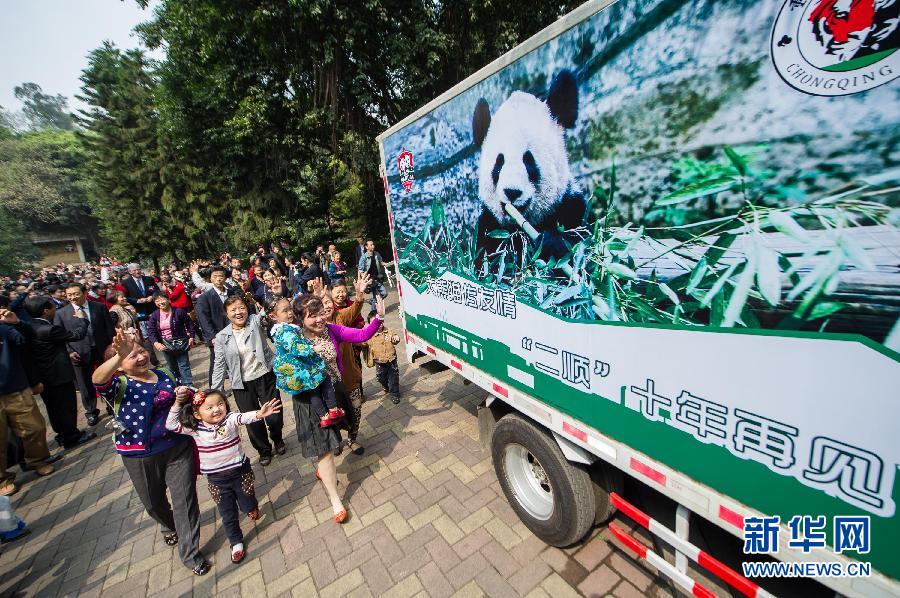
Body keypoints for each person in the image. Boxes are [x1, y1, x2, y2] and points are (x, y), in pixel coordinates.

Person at [92, 330, 210, 576]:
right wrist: (118, 356)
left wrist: (188, 395)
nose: (140, 357)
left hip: (177, 446)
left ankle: (191, 554)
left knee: (185, 501)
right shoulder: (118, 385)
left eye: (141, 351)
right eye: (131, 356)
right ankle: (169, 527)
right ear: (120, 366)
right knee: (153, 503)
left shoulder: (164, 374)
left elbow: (182, 397)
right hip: (140, 455)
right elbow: (97, 379)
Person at [270, 294, 386, 522]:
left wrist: (379, 318)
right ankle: (335, 499)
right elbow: (284, 369)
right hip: (310, 401)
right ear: (299, 318)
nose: (318, 319)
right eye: (311, 316)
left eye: (320, 313)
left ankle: (324, 470)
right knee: (327, 450)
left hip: (335, 391)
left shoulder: (331, 329)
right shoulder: (291, 338)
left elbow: (361, 334)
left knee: (346, 430)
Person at [166, 388, 279, 564]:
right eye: (209, 407)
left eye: (220, 404)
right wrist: (178, 403)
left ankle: (251, 507)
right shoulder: (195, 429)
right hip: (216, 480)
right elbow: (171, 424)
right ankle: (236, 543)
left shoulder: (230, 420)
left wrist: (259, 414)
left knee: (247, 501)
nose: (216, 409)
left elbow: (243, 417)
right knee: (228, 514)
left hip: (241, 473)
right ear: (196, 414)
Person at [211, 297, 285, 466]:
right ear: (226, 313)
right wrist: (214, 392)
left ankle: (277, 438)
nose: (238, 312)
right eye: (233, 310)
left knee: (274, 415)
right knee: (252, 420)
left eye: (241, 308)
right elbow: (219, 365)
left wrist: (272, 299)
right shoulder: (222, 337)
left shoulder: (254, 321)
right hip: (241, 385)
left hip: (265, 376)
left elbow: (265, 315)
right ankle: (263, 450)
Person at [23, 296, 97, 449]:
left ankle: (63, 434)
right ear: (45, 311)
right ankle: (72, 436)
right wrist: (83, 320)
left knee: (53, 408)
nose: (55, 310)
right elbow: (76, 336)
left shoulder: (29, 326)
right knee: (66, 407)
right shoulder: (48, 329)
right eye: (52, 307)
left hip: (44, 376)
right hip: (58, 375)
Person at [0, 308, 57, 496]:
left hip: (16, 388)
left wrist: (16, 322)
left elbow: (26, 340)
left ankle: (37, 461)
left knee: (34, 427)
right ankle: (2, 479)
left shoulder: (4, 328)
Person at [54, 283, 115, 426]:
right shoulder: (61, 313)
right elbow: (60, 336)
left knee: (107, 378)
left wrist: (111, 345)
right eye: (69, 295)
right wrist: (69, 352)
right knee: (84, 384)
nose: (73, 297)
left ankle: (112, 405)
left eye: (76, 294)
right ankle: (91, 411)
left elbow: (109, 328)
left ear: (84, 292)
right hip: (79, 353)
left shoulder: (98, 307)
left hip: (101, 350)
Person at [147, 293, 196, 386]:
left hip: (181, 342)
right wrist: (156, 343)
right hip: (165, 345)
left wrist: (191, 337)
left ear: (168, 300)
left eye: (162, 299)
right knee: (172, 367)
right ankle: (178, 384)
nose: (160, 302)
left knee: (184, 365)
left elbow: (190, 324)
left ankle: (189, 385)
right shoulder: (154, 316)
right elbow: (151, 331)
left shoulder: (179, 311)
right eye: (157, 301)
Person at [194, 266, 232, 386]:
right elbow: (203, 319)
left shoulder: (231, 292)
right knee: (217, 363)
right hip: (216, 335)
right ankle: (214, 388)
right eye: (215, 276)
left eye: (221, 276)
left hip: (233, 331)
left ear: (225, 278)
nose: (218, 279)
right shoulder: (205, 297)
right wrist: (212, 336)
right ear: (210, 278)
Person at [364, 310, 402, 404]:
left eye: (380, 322)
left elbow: (395, 338)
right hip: (379, 361)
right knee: (380, 377)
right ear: (370, 325)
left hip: (391, 359)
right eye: (375, 323)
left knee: (393, 378)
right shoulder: (370, 335)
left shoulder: (388, 331)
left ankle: (394, 394)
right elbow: (363, 341)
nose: (379, 325)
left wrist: (396, 338)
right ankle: (386, 386)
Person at [358, 240, 389, 310]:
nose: (373, 246)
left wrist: (384, 264)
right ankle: (373, 312)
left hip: (378, 278)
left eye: (373, 244)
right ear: (366, 247)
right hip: (371, 280)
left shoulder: (377, 254)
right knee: (379, 295)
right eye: (371, 245)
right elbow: (361, 270)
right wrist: (365, 279)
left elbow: (381, 262)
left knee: (383, 294)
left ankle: (373, 302)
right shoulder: (363, 257)